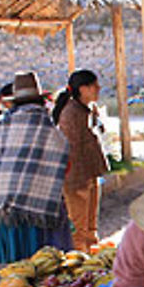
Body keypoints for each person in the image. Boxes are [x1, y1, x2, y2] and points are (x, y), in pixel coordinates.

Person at [0, 71, 72, 263]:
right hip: (38, 203)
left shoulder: (0, 126)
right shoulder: (45, 124)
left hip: (4, 200)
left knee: (17, 263)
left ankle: (16, 285)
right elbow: (64, 160)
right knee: (45, 260)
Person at [53, 69, 107, 252]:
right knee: (79, 229)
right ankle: (80, 262)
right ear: (83, 89)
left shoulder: (86, 110)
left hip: (88, 175)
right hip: (76, 179)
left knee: (90, 228)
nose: (98, 88)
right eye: (94, 85)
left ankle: (92, 257)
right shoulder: (71, 114)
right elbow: (74, 150)